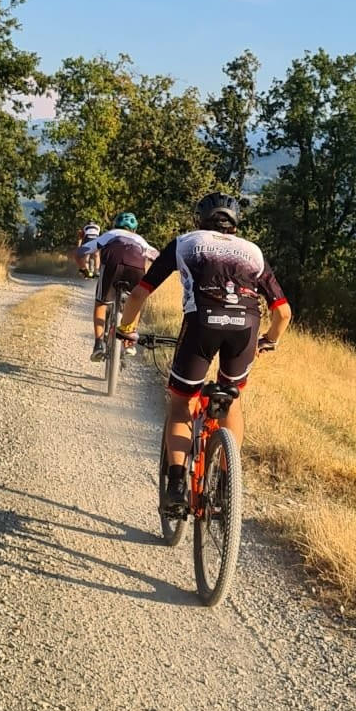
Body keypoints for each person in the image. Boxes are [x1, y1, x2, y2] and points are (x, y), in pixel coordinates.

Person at [116, 193, 291, 516]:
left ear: (200, 219)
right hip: (246, 328)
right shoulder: (253, 251)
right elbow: (283, 312)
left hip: (201, 324)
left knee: (182, 403)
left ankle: (177, 486)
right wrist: (268, 341)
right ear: (235, 223)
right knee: (232, 400)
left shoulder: (186, 242)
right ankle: (227, 485)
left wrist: (126, 328)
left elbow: (140, 292)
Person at [77, 212, 159, 362]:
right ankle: (129, 342)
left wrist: (84, 269)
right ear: (134, 229)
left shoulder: (110, 234)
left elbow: (81, 252)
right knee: (135, 303)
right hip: (136, 269)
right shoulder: (140, 240)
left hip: (112, 267)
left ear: (116, 225)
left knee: (101, 303)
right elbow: (157, 257)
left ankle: (98, 344)